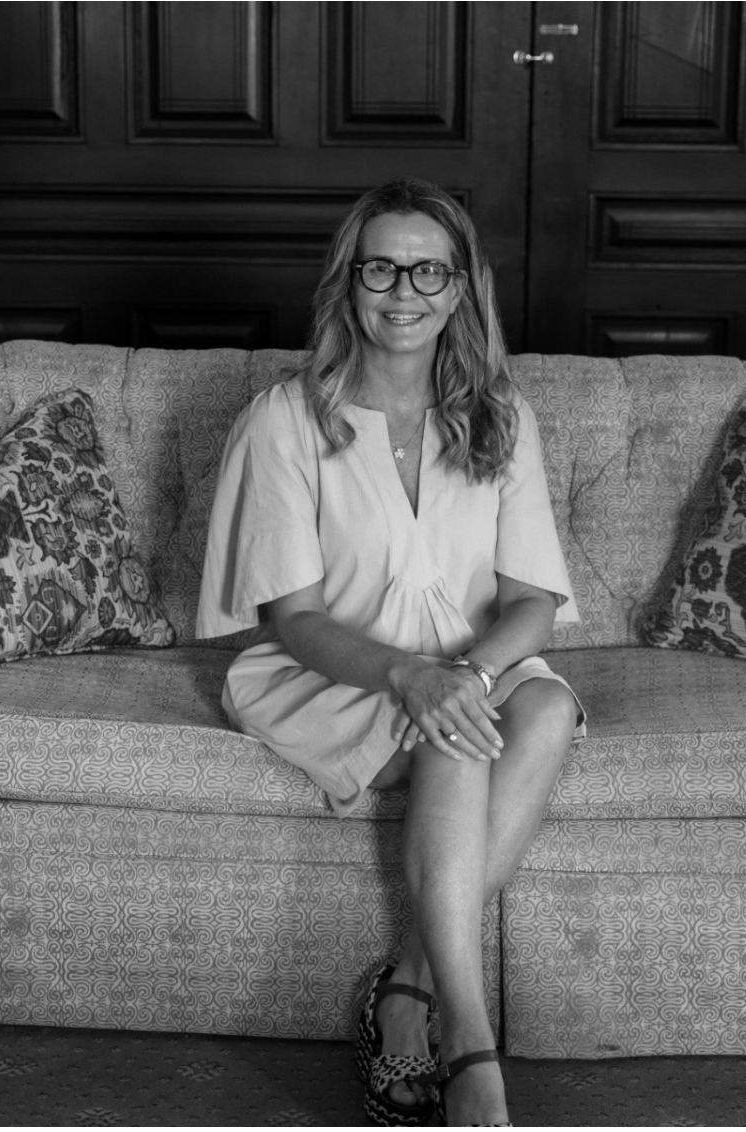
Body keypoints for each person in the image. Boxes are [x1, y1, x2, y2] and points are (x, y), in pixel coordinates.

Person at [197, 177, 585, 1127]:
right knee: (462, 729)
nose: (402, 290)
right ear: (348, 281)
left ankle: (406, 984)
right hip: (330, 671)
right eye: (381, 266)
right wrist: (417, 678)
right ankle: (468, 1036)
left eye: (428, 270)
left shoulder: (500, 416)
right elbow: (294, 618)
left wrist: (472, 672)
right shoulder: (288, 418)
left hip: (471, 661)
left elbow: (534, 600)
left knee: (544, 706)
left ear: (459, 290)